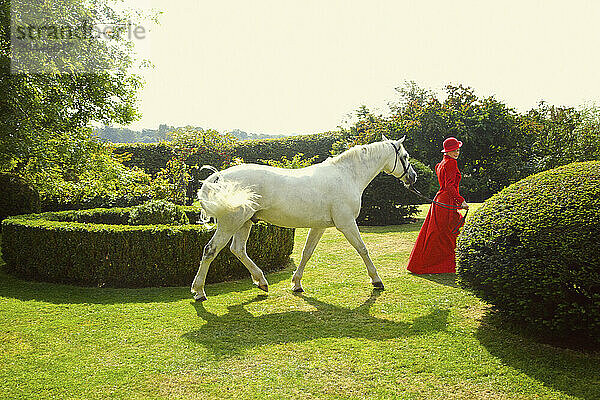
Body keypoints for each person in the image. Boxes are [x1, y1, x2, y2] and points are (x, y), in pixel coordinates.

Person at [407, 137, 469, 274]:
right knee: (447, 233)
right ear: (447, 151)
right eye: (453, 150)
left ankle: (422, 264)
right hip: (446, 200)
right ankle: (445, 264)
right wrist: (461, 201)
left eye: (457, 150)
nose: (456, 153)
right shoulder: (451, 163)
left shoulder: (441, 163)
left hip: (440, 200)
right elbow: (449, 186)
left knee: (436, 233)